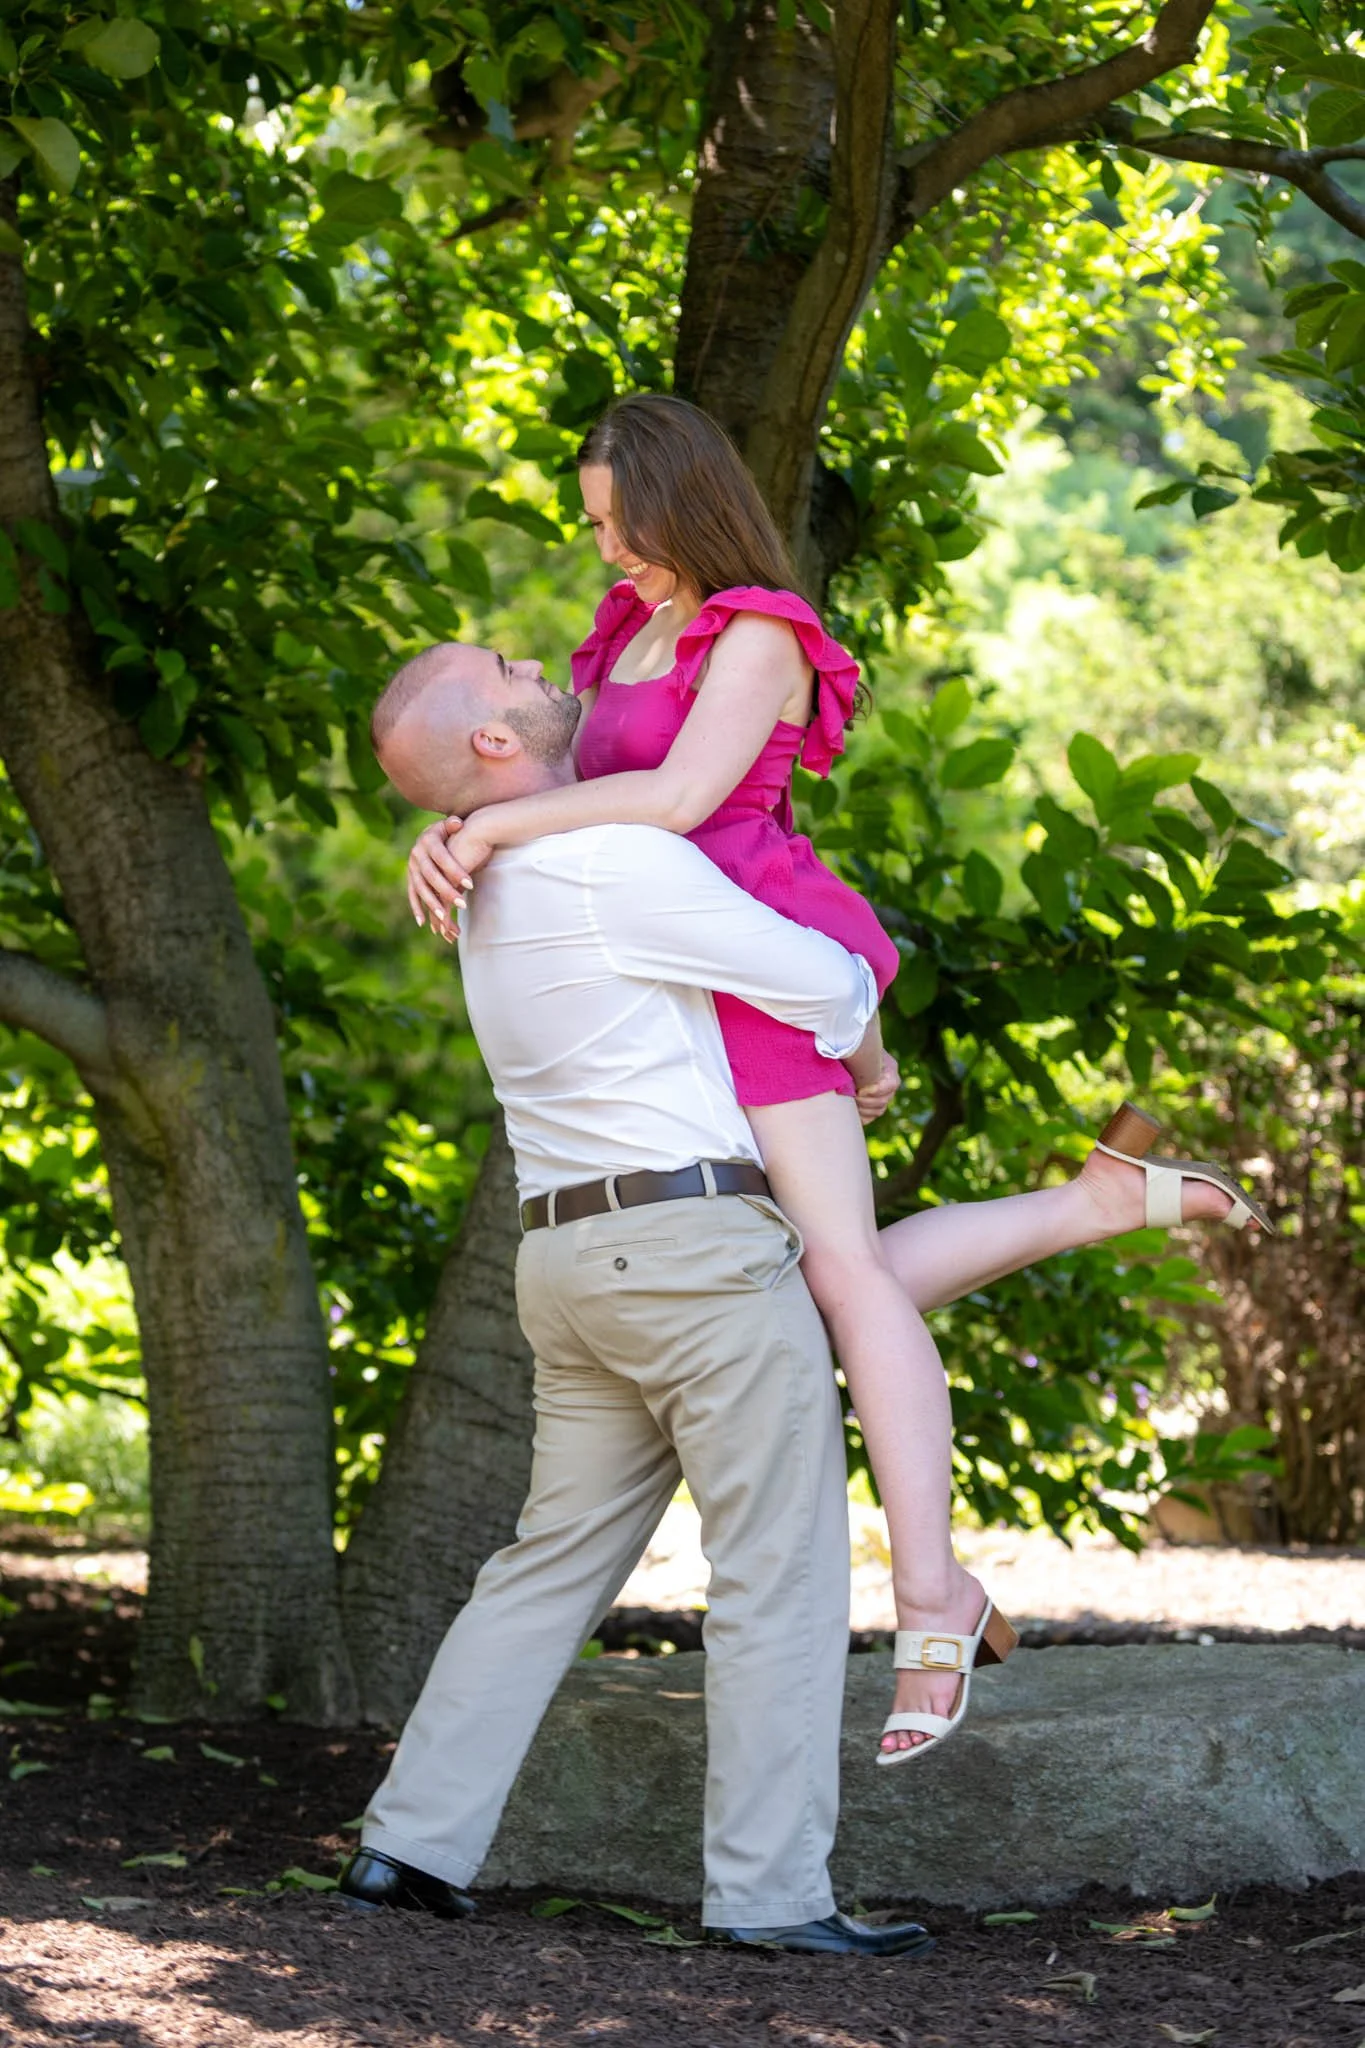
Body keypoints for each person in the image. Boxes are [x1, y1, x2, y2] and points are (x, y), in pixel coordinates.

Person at [405, 395, 1270, 1765]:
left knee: (845, 1283)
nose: (604, 544)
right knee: (818, 1277)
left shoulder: (758, 631)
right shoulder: (621, 631)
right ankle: (1094, 1207)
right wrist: (461, 822)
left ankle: (933, 1599)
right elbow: (547, 769)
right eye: (593, 523)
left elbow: (684, 803)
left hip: (762, 955)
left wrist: (488, 819)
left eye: (615, 519)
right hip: (675, 981)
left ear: (677, 498)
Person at [341, 638, 934, 1955]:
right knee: (778, 1569)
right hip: (693, 1251)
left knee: (547, 1564)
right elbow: (832, 982)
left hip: (567, 1260)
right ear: (496, 744)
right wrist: (862, 1044)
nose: (535, 658)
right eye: (503, 666)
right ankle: (773, 1899)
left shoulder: (487, 883)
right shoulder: (613, 860)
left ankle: (409, 1847)